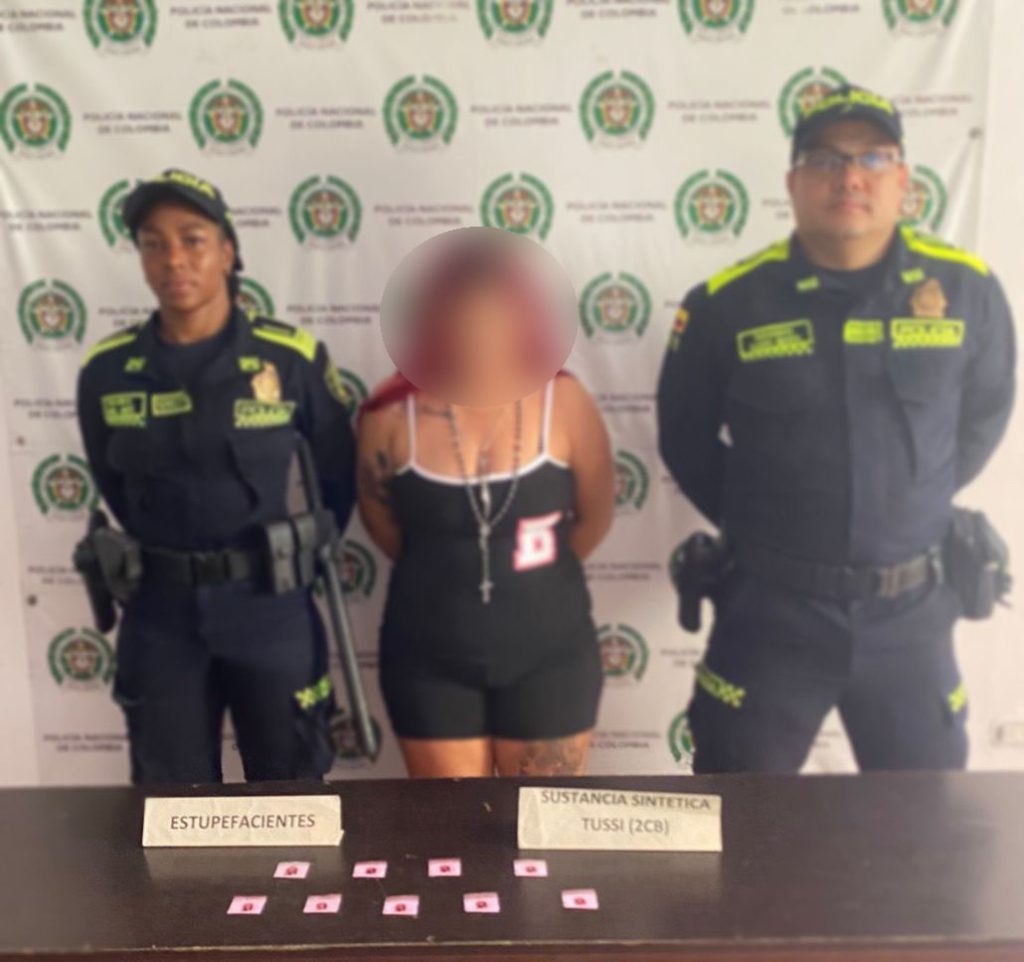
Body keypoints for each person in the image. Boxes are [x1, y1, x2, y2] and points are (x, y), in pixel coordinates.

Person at [656, 85, 1016, 773]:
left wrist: (902, 507)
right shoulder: (727, 304)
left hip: (911, 615)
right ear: (793, 182)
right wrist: (774, 524)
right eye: (825, 159)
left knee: (923, 820)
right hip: (770, 615)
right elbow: (685, 440)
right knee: (737, 815)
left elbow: (981, 423)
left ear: (903, 179)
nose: (850, 177)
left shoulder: (968, 293)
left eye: (873, 158)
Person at [76, 168, 357, 784]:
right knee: (171, 808)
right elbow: (112, 483)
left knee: (291, 798)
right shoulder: (107, 371)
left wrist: (289, 558)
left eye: (192, 239)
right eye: (154, 243)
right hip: (160, 614)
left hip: (270, 606)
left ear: (228, 252)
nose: (173, 259)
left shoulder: (291, 359)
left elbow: (338, 482)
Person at [357, 233, 615, 777]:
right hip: (429, 663)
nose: (478, 334)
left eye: (493, 317)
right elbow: (384, 528)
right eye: (461, 319)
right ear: (431, 322)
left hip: (551, 658)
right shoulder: (389, 416)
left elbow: (595, 516)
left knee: (542, 821)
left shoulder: (565, 402)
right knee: (452, 823)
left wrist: (529, 576)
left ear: (522, 317)